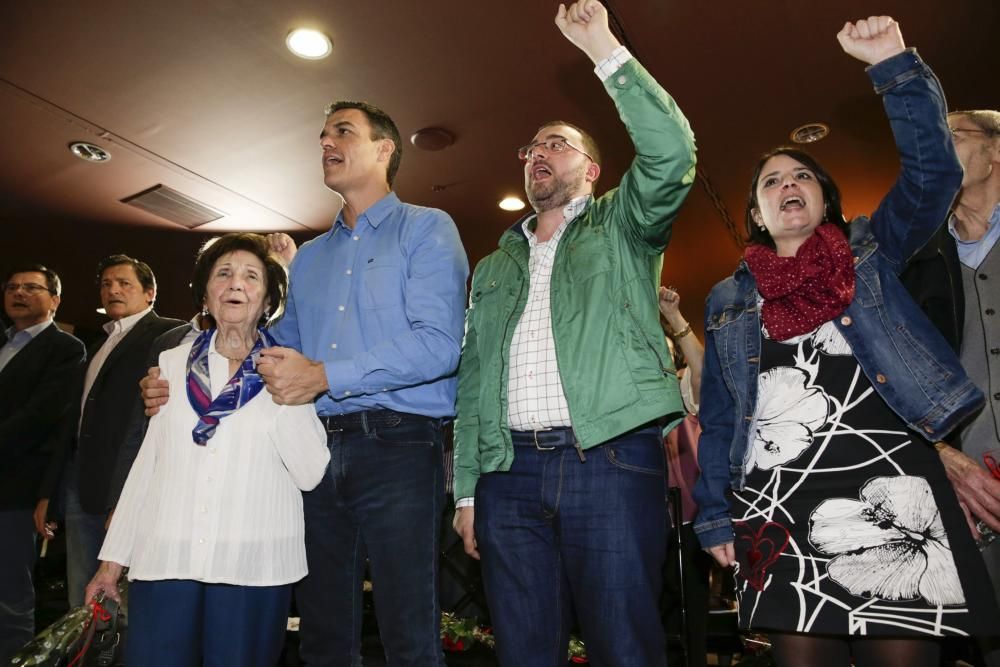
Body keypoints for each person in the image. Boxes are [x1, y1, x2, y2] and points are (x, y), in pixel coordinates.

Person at [693, 17, 1000, 667]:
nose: (788, 185)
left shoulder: (870, 255)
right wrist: (714, 515)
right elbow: (721, 418)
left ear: (825, 199)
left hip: (896, 494)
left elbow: (933, 174)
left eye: (801, 175)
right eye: (772, 181)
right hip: (779, 500)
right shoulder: (728, 299)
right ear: (756, 212)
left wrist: (893, 65)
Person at [142, 102, 468, 666]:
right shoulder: (309, 259)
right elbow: (263, 354)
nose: (326, 143)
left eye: (343, 131)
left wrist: (325, 375)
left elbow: (439, 344)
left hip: (399, 444)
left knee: (407, 628)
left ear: (385, 149)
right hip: (310, 452)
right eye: (322, 135)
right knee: (321, 630)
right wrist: (180, 378)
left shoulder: (427, 228)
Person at [451, 2, 696, 664]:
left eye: (557, 143)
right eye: (532, 146)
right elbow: (474, 378)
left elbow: (674, 153)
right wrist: (470, 487)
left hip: (610, 460)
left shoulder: (624, 224)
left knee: (623, 643)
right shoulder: (494, 264)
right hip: (508, 476)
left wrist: (602, 48)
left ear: (591, 169)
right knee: (525, 648)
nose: (539, 153)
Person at [85, 233, 329, 666]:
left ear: (269, 296)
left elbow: (310, 473)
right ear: (205, 294)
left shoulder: (290, 367)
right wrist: (111, 563)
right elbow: (148, 466)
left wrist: (283, 396)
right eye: (223, 274)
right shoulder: (171, 366)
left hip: (253, 564)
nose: (236, 284)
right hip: (166, 557)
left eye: (251, 276)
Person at [902, 108, 1000, 665]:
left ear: (995, 151)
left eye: (955, 135)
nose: (939, 146)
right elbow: (890, 377)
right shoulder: (914, 261)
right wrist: (939, 455)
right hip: (970, 487)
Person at [37, 254, 183, 607]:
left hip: (131, 486)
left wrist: (130, 493)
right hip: (80, 485)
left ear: (150, 293)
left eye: (123, 283)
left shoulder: (170, 335)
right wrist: (50, 493)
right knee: (82, 599)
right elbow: (73, 426)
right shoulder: (96, 346)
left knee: (127, 602)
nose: (112, 290)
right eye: (106, 284)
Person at [0, 264, 85, 663]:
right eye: (13, 287)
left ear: (55, 300)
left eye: (32, 288)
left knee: (10, 595)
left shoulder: (65, 348)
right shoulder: (3, 343)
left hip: (16, 489)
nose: (19, 293)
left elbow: (41, 416)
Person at [658, 286, 712, 667]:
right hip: (639, 513)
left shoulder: (679, 385)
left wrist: (675, 320)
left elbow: (705, 377)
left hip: (689, 515)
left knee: (690, 603)